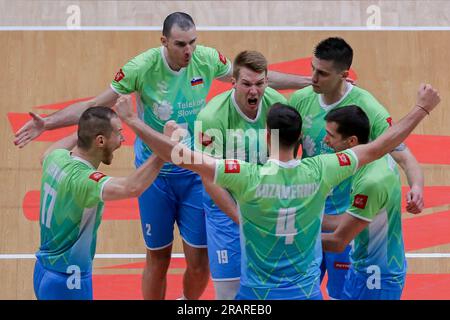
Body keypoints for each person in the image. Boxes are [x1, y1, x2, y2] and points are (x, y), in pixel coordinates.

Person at [14, 12, 312, 300]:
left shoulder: (207, 59)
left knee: (200, 259)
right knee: (158, 255)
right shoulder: (141, 68)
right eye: (181, 44)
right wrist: (48, 123)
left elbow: (256, 79)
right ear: (164, 42)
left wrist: (308, 82)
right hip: (154, 176)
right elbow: (95, 105)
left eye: (193, 42)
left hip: (194, 172)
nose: (189, 50)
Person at [112, 83, 440, 300]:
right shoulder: (323, 169)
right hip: (305, 293)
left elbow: (177, 155)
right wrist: (422, 109)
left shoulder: (246, 176)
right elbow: (382, 144)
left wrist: (132, 120)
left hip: (257, 297)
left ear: (267, 135)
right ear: (300, 141)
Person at [288, 37, 424, 299]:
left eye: (322, 73)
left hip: (350, 217)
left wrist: (416, 187)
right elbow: (285, 156)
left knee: (342, 294)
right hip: (309, 208)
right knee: (297, 292)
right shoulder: (300, 100)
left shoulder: (368, 109)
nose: (313, 78)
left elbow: (404, 155)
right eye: (312, 68)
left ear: (344, 75)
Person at [34, 106, 164, 300]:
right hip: (69, 281)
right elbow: (132, 187)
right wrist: (164, 150)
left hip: (43, 272)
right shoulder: (84, 181)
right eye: (118, 134)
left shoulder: (56, 158)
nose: (123, 140)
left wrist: (84, 130)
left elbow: (47, 154)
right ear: (100, 141)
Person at [194, 50, 287, 299]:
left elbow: (285, 163)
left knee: (270, 288)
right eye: (246, 84)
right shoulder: (211, 117)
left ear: (267, 81)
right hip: (226, 209)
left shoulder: (278, 109)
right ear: (233, 82)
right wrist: (241, 219)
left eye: (259, 84)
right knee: (229, 291)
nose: (253, 91)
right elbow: (210, 177)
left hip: (266, 205)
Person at [321, 106, 407, 299]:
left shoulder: (370, 182)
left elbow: (338, 241)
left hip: (376, 278)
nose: (325, 140)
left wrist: (289, 239)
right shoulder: (378, 157)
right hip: (366, 268)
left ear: (351, 141)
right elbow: (354, 219)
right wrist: (309, 219)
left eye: (330, 135)